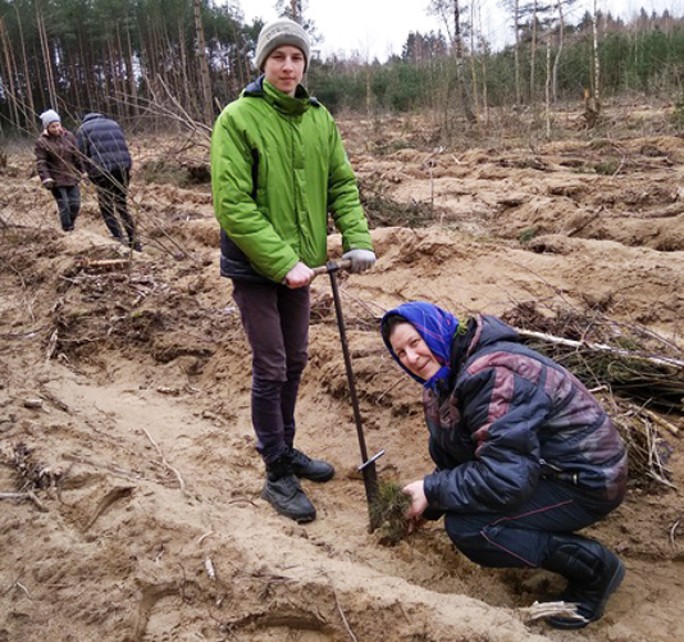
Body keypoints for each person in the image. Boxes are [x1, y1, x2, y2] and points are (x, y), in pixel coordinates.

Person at [211, 18, 376, 524]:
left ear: (305, 64)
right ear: (262, 62)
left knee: (298, 358)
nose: (288, 66)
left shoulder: (318, 119)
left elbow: (341, 185)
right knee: (272, 364)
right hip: (257, 269)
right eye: (278, 57)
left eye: (296, 58)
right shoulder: (237, 119)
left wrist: (358, 239)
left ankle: (287, 445)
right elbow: (233, 205)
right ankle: (276, 468)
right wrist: (283, 264)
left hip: (303, 267)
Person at [380, 301, 628, 629]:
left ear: (436, 331)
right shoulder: (443, 382)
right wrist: (427, 506)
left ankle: (596, 570)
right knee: (459, 494)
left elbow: (506, 477)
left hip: (589, 479)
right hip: (544, 466)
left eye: (415, 342)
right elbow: (466, 456)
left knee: (471, 529)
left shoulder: (491, 374)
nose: (411, 358)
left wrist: (431, 489)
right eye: (400, 353)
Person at [76, 112, 140, 251]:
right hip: (122, 167)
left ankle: (120, 240)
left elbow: (81, 154)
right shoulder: (114, 124)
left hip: (102, 171)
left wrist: (87, 173)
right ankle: (135, 242)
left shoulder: (83, 129)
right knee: (122, 205)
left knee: (106, 207)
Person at [34, 109, 85, 232]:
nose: (56, 129)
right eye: (53, 126)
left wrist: (83, 171)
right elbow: (41, 162)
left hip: (71, 176)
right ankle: (67, 229)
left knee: (75, 205)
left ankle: (71, 224)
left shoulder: (69, 137)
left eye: (58, 125)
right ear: (47, 127)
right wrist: (46, 178)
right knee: (64, 206)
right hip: (55, 179)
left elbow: (77, 156)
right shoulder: (42, 142)